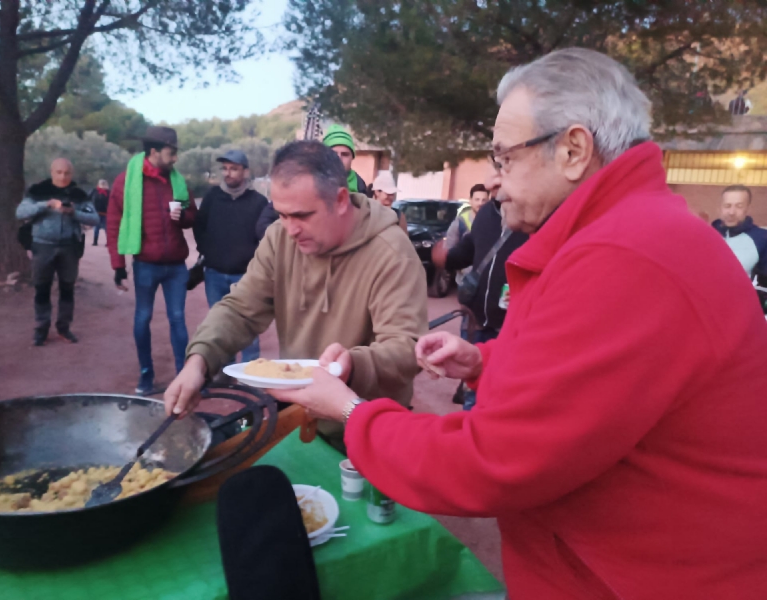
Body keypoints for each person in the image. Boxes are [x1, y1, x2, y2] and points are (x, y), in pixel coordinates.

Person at [270, 48, 767, 598]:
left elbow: (492, 462)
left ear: (574, 149)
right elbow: (595, 376)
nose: (496, 182)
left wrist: (350, 410)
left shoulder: (627, 255)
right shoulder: (626, 233)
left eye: (504, 158)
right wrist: (485, 359)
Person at [164, 140, 427, 451]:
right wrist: (199, 361)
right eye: (282, 215)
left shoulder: (392, 252)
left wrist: (350, 365)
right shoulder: (279, 239)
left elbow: (406, 348)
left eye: (301, 215)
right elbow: (240, 309)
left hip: (367, 428)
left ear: (341, 200)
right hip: (297, 418)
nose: (290, 229)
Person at [106, 126, 197, 395]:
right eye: (171, 153)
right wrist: (118, 265)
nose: (175, 159)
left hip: (176, 265)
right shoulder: (126, 181)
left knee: (178, 318)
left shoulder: (177, 181)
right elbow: (113, 223)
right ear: (154, 151)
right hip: (145, 264)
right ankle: (146, 375)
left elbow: (193, 216)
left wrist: (184, 217)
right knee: (143, 318)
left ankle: (183, 375)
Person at [433, 189, 527, 410]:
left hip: (510, 324)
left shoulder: (534, 215)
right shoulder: (486, 214)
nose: (492, 181)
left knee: (503, 392)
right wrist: (446, 259)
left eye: (505, 163)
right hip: (475, 320)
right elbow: (468, 251)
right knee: (472, 393)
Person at [194, 149, 268, 363]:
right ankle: (224, 371)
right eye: (225, 169)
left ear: (245, 172)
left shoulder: (258, 202)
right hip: (214, 274)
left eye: (234, 169)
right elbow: (200, 227)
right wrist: (208, 251)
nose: (228, 173)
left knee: (248, 326)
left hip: (246, 277)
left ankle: (250, 374)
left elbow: (264, 238)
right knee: (219, 325)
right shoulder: (212, 197)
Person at [16, 158, 99, 346]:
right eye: (59, 172)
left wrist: (74, 213)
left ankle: (64, 328)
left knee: (67, 289)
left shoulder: (78, 194)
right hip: (42, 246)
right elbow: (20, 212)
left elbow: (94, 218)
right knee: (42, 288)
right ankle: (41, 329)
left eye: (67, 173)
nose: (63, 176)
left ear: (72, 174)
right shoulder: (38, 191)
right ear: (52, 172)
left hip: (69, 247)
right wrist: (45, 205)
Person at [711, 184, 767, 279]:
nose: (732, 212)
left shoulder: (761, 239)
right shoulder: (706, 235)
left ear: (748, 209)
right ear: (720, 208)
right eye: (727, 206)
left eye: (739, 206)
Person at [322, 124, 368, 194]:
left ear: (352, 158)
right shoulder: (313, 178)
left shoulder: (359, 184)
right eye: (333, 153)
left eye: (345, 154)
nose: (339, 158)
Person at [445, 184, 489, 249]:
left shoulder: (493, 221)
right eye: (477, 199)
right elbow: (449, 250)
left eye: (484, 200)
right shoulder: (460, 222)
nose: (480, 203)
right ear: (470, 200)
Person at [90, 179, 110, 246]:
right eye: (101, 183)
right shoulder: (94, 191)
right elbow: (88, 198)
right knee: (96, 228)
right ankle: (95, 241)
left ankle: (108, 242)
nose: (103, 184)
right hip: (96, 212)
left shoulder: (108, 192)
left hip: (105, 213)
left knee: (106, 228)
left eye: (104, 183)